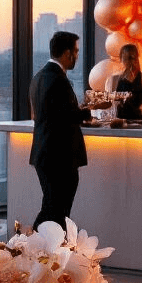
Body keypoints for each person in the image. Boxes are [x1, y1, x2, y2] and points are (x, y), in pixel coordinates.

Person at [28, 31, 91, 230]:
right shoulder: (58, 80)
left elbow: (43, 114)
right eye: (76, 51)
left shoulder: (39, 76)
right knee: (57, 213)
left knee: (51, 209)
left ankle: (35, 250)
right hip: (59, 157)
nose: (77, 56)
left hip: (45, 155)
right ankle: (36, 250)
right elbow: (67, 115)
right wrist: (91, 109)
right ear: (67, 53)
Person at [104, 43, 142, 121]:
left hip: (139, 120)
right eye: (126, 59)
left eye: (132, 58)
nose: (130, 62)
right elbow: (109, 104)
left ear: (137, 59)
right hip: (120, 121)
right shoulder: (114, 79)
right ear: (121, 60)